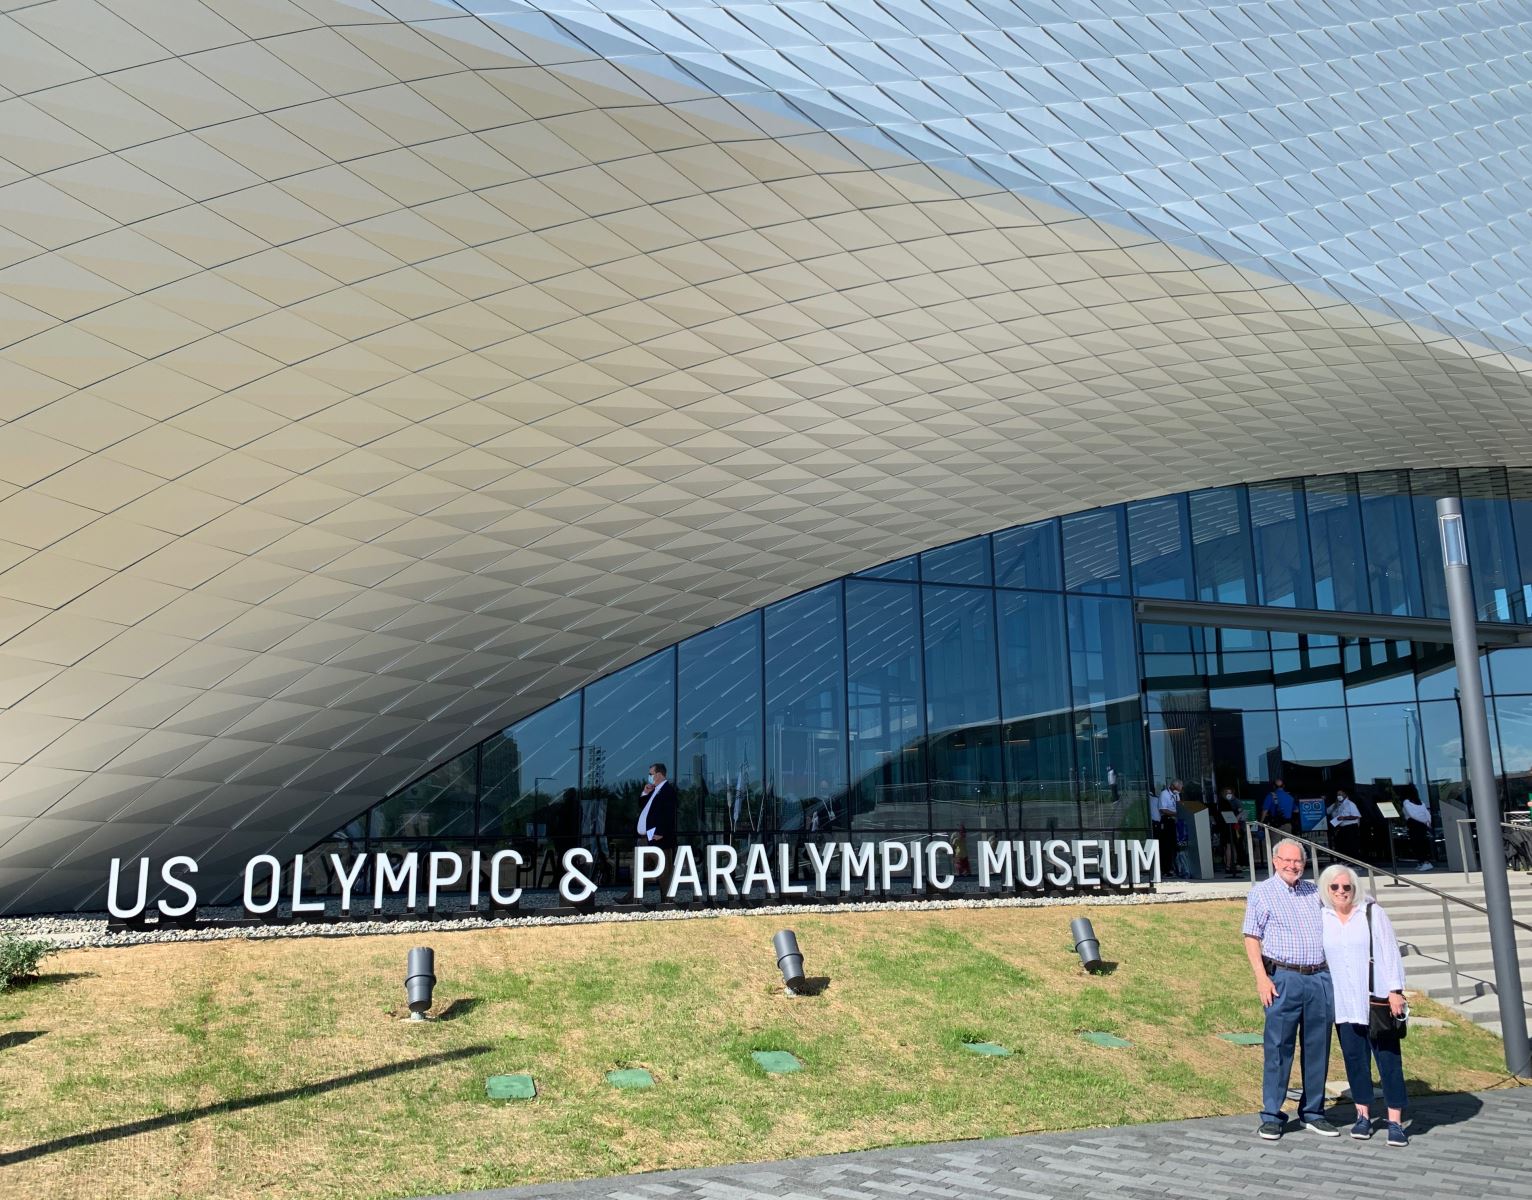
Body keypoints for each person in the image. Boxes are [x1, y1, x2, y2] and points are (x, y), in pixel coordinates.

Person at [1242, 837, 1337, 1140]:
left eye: (1298, 861)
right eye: (1287, 860)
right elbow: (1251, 937)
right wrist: (1261, 977)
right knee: (1278, 1048)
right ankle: (1272, 1114)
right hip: (1283, 978)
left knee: (1317, 1047)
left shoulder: (1315, 892)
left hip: (1319, 978)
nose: (1293, 866)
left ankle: (1313, 1112)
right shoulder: (1262, 893)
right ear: (1274, 861)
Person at [1318, 863, 1409, 1147]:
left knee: (1389, 1061)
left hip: (1377, 999)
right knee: (1355, 1061)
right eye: (1335, 887)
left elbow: (1389, 951)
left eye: (1347, 887)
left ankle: (1395, 1120)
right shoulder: (1323, 917)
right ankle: (1363, 1115)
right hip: (1344, 1004)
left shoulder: (1371, 913)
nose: (1341, 892)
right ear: (1326, 889)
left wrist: (1395, 990)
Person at [636, 763, 678, 893]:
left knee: (664, 872)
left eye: (651, 774)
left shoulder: (668, 790)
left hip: (658, 838)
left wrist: (661, 832)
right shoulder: (653, 790)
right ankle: (630, 899)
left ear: (659, 774)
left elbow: (670, 814)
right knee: (642, 871)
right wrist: (645, 792)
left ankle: (668, 902)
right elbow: (642, 806)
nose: (649, 777)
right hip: (646, 838)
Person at [1400, 789, 1434, 872]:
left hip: (1414, 825)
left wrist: (1422, 820)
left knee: (1417, 844)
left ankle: (1425, 862)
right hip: (1422, 825)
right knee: (1422, 843)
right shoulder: (1421, 802)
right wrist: (1427, 822)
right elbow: (1427, 813)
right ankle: (1423, 862)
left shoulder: (1406, 802)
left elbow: (1412, 814)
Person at [1155, 779, 1183, 878]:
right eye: (1176, 789)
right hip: (1167, 820)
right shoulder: (1164, 794)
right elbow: (1162, 809)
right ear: (1172, 786)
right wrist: (1175, 813)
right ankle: (1166, 869)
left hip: (1175, 820)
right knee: (1166, 846)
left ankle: (1174, 867)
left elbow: (1179, 805)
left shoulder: (1176, 794)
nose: (1178, 791)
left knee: (1174, 845)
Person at [1213, 787, 1243, 875]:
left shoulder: (1222, 802)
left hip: (1227, 826)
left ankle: (1230, 864)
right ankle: (1229, 865)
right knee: (1229, 846)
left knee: (1229, 846)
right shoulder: (1225, 803)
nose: (1229, 795)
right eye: (1227, 793)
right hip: (1228, 827)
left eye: (1230, 793)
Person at [1327, 788, 1362, 862]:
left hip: (1350, 827)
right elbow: (1327, 811)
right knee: (1341, 846)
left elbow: (1356, 816)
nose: (1339, 796)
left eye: (1340, 794)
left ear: (1345, 795)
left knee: (1351, 846)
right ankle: (1344, 862)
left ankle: (1353, 862)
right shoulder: (1337, 805)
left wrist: (1344, 817)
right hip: (1341, 828)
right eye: (1337, 794)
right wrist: (1335, 805)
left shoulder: (1350, 804)